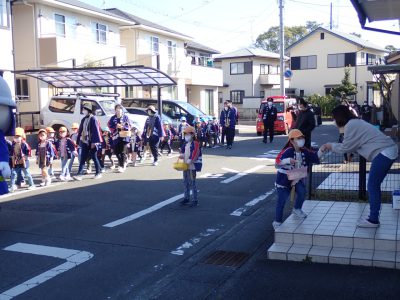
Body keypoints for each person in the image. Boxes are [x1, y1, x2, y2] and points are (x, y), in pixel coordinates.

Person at [320, 105, 398, 227]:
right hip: (387, 150)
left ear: (340, 117)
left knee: (372, 186)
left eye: (334, 118)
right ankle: (373, 217)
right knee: (374, 185)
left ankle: (373, 220)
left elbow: (346, 147)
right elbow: (354, 144)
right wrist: (350, 153)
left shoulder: (351, 125)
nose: (333, 121)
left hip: (384, 152)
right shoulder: (354, 122)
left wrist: (329, 145)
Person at [273, 129, 322, 230]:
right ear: (291, 140)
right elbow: (277, 162)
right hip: (284, 179)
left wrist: (323, 149)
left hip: (296, 176)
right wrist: (288, 160)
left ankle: (297, 208)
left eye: (302, 138)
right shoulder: (287, 151)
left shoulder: (305, 151)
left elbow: (315, 156)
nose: (301, 140)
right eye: (298, 138)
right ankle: (277, 221)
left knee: (302, 191)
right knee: (282, 200)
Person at [74, 103, 103, 180]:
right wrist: (77, 141)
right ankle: (79, 174)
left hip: (92, 141)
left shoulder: (94, 119)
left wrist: (94, 142)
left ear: (88, 110)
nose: (83, 111)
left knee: (94, 157)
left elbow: (96, 131)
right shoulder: (83, 119)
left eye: (84, 109)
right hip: (84, 141)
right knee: (83, 157)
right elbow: (80, 130)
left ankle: (98, 172)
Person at [179, 126, 203, 207]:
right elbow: (182, 150)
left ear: (192, 135)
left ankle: (195, 200)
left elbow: (195, 153)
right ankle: (186, 198)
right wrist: (181, 155)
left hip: (192, 166)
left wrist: (190, 159)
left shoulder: (195, 143)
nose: (186, 136)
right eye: (185, 134)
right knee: (185, 182)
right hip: (185, 165)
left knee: (193, 182)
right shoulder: (185, 143)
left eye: (187, 134)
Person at [9, 127, 35, 191]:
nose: (16, 138)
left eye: (18, 137)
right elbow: (12, 153)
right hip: (16, 162)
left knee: (27, 174)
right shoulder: (13, 144)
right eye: (15, 137)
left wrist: (25, 156)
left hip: (24, 162)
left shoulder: (24, 144)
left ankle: (32, 184)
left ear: (21, 137)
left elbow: (29, 151)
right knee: (13, 174)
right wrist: (12, 157)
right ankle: (12, 186)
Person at [108, 104, 131, 173]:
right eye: (117, 109)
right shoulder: (112, 118)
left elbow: (129, 126)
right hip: (116, 137)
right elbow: (109, 125)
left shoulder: (125, 117)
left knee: (122, 151)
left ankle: (121, 165)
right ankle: (123, 161)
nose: (118, 110)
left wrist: (122, 127)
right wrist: (115, 126)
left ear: (122, 110)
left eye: (119, 109)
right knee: (117, 152)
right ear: (115, 111)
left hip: (124, 136)